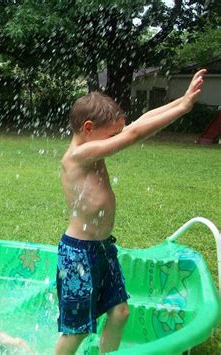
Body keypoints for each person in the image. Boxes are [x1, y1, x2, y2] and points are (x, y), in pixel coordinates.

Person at [56, 69, 206, 355]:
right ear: (88, 128)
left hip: (101, 248)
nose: (117, 137)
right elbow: (136, 133)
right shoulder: (78, 155)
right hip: (78, 253)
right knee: (76, 331)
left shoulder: (92, 146)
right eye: (112, 134)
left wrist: (181, 100)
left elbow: (139, 122)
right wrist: (184, 108)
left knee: (120, 313)